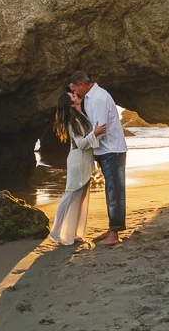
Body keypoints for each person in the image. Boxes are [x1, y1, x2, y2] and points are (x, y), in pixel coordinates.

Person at [68, 71, 127, 245]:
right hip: (103, 151)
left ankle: (114, 235)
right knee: (110, 192)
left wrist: (83, 145)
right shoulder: (89, 98)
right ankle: (112, 229)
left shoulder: (99, 98)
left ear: (82, 85)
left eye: (74, 90)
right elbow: (92, 128)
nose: (75, 94)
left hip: (112, 151)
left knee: (115, 192)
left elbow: (101, 129)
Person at [48, 89, 107, 245]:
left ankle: (75, 233)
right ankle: (55, 232)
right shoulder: (72, 121)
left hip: (84, 160)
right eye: (72, 96)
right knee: (69, 197)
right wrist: (95, 133)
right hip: (78, 162)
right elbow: (80, 144)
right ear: (71, 104)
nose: (75, 95)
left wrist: (92, 133)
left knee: (80, 199)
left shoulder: (79, 117)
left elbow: (82, 141)